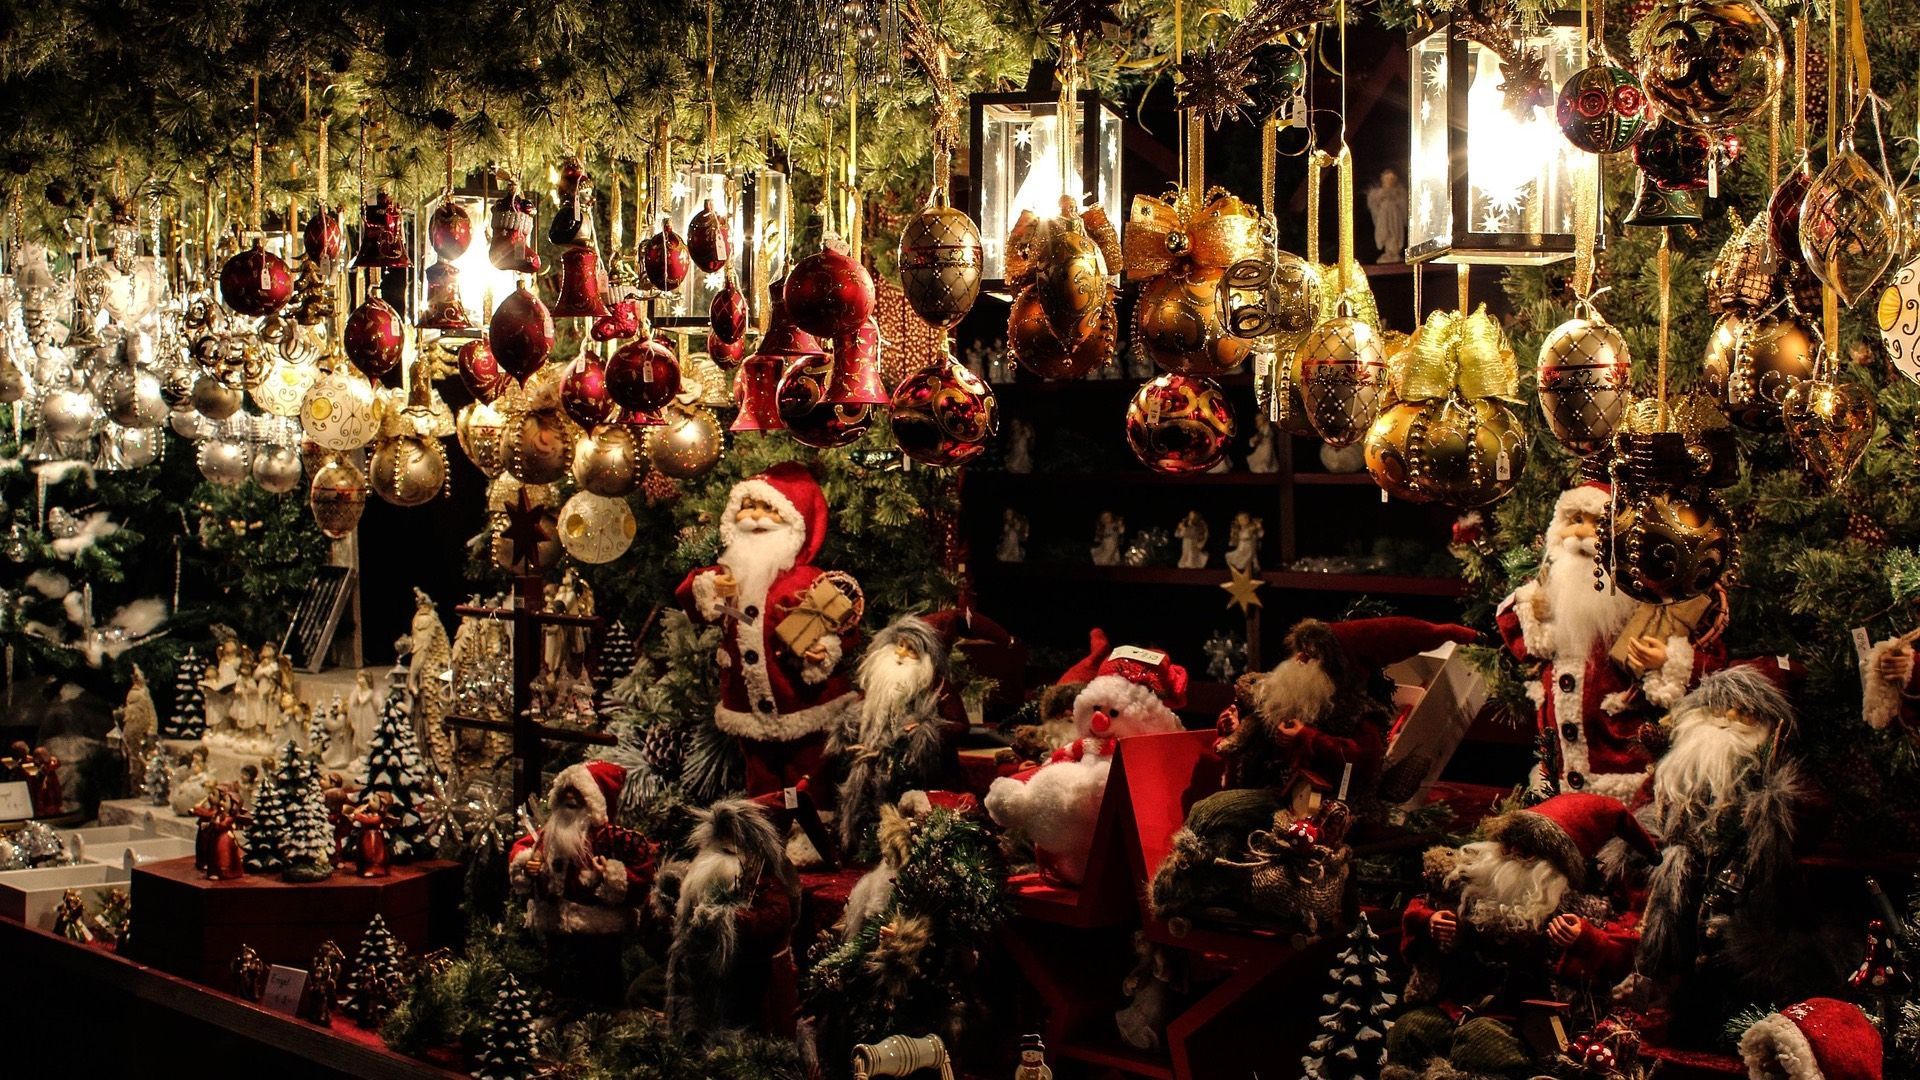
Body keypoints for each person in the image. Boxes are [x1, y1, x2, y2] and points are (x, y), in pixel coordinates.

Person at [1496, 482, 1724, 799]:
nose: (1581, 534)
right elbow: (1520, 633)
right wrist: (1534, 601)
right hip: (1559, 773)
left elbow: (1716, 674)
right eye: (1574, 521)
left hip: (1625, 773)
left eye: (1597, 523)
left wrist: (1668, 661)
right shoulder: (1546, 598)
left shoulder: (1649, 605)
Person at [676, 463, 860, 795]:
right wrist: (708, 587)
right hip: (745, 704)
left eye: (769, 509)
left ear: (794, 524)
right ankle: (763, 829)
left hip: (801, 702)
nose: (756, 517)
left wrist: (824, 651)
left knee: (810, 774)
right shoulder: (726, 575)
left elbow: (845, 631)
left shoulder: (807, 581)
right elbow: (689, 597)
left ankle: (812, 831)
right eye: (748, 507)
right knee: (759, 775)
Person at [1366, 166, 1408, 263]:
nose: (1389, 181)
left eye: (1391, 179)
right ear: (1383, 179)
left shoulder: (1399, 193)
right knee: (1386, 233)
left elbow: (1403, 207)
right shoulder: (1377, 193)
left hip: (1395, 217)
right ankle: (1388, 253)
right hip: (1384, 218)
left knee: (1395, 234)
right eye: (1387, 178)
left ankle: (1394, 252)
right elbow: (1374, 206)